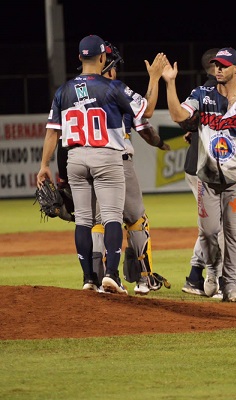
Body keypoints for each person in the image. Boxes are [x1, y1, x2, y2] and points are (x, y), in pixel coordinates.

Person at [37, 34, 166, 294]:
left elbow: (52, 132)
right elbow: (148, 111)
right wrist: (154, 78)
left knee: (84, 220)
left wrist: (43, 166)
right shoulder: (111, 88)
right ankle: (111, 276)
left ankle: (88, 279)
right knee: (111, 218)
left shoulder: (63, 90)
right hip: (106, 157)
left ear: (79, 58)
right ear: (103, 57)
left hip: (75, 158)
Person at [162, 47, 236, 302]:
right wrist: (170, 83)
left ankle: (230, 285)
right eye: (216, 65)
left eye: (224, 65)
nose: (218, 69)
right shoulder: (202, 95)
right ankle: (211, 273)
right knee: (208, 232)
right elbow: (178, 115)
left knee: (233, 234)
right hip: (207, 179)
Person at [89, 41, 172, 295]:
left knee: (100, 222)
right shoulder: (116, 90)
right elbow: (145, 113)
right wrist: (154, 79)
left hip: (89, 162)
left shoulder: (77, 92)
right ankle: (145, 279)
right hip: (117, 162)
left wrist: (158, 142)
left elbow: (145, 130)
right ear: (108, 66)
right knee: (136, 220)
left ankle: (96, 279)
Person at [181, 47, 225, 298]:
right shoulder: (212, 90)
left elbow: (188, 123)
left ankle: (198, 276)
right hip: (203, 169)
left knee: (212, 225)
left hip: (204, 167)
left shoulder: (216, 89)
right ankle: (202, 277)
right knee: (212, 226)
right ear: (214, 64)